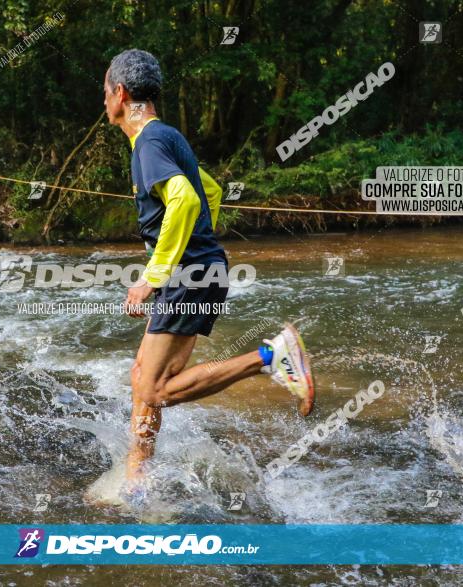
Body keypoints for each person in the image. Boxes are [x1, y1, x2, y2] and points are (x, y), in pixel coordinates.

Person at [102, 49, 316, 492]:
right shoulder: (165, 137)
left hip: (188, 274)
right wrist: (198, 246)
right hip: (196, 270)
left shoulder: (149, 142)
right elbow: (211, 189)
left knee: (156, 389)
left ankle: (270, 356)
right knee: (143, 376)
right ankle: (137, 476)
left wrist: (154, 275)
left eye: (105, 93)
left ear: (120, 94)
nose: (104, 102)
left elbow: (185, 198)